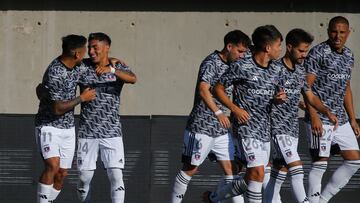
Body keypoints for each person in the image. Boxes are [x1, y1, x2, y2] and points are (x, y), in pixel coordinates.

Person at [205, 25, 284, 203]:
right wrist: (235, 109)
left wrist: (279, 98)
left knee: (253, 176)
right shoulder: (242, 66)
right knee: (257, 172)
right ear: (268, 47)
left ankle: (215, 197)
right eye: (279, 45)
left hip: (265, 129)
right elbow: (217, 89)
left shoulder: (276, 68)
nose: (281, 50)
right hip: (245, 128)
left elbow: (275, 92)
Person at [170, 30, 251, 203]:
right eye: (240, 51)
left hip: (222, 130)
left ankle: (213, 199)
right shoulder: (211, 62)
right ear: (229, 47)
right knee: (190, 169)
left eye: (244, 52)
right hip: (202, 126)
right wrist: (218, 112)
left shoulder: (235, 64)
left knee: (233, 170)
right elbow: (203, 89)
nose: (242, 56)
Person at [263, 29, 338, 203]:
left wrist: (326, 111)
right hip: (276, 128)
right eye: (301, 51)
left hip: (291, 129)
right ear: (289, 47)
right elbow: (262, 94)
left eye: (306, 51)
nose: (304, 55)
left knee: (278, 173)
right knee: (297, 169)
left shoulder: (299, 71)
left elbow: (309, 95)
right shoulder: (273, 69)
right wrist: (273, 98)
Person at [304, 16, 360, 203]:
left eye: (342, 32)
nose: (338, 36)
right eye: (334, 31)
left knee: (354, 161)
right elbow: (306, 89)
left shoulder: (349, 55)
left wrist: (352, 118)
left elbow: (346, 88)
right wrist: (313, 116)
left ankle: (323, 199)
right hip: (320, 117)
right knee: (320, 163)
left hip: (341, 119)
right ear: (328, 31)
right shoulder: (318, 53)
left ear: (348, 33)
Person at [35, 34, 96, 203]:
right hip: (48, 125)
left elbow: (93, 64)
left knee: (62, 174)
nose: (87, 53)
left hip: (68, 128)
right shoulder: (55, 72)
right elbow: (56, 109)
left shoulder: (78, 66)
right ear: (77, 53)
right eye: (85, 50)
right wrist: (82, 98)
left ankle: (48, 200)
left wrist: (112, 62)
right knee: (52, 166)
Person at [76, 32, 137, 203]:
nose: (91, 51)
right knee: (83, 178)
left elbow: (133, 78)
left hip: (112, 132)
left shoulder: (116, 67)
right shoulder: (82, 66)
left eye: (95, 47)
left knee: (116, 176)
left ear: (106, 47)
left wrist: (111, 68)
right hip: (87, 132)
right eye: (89, 47)